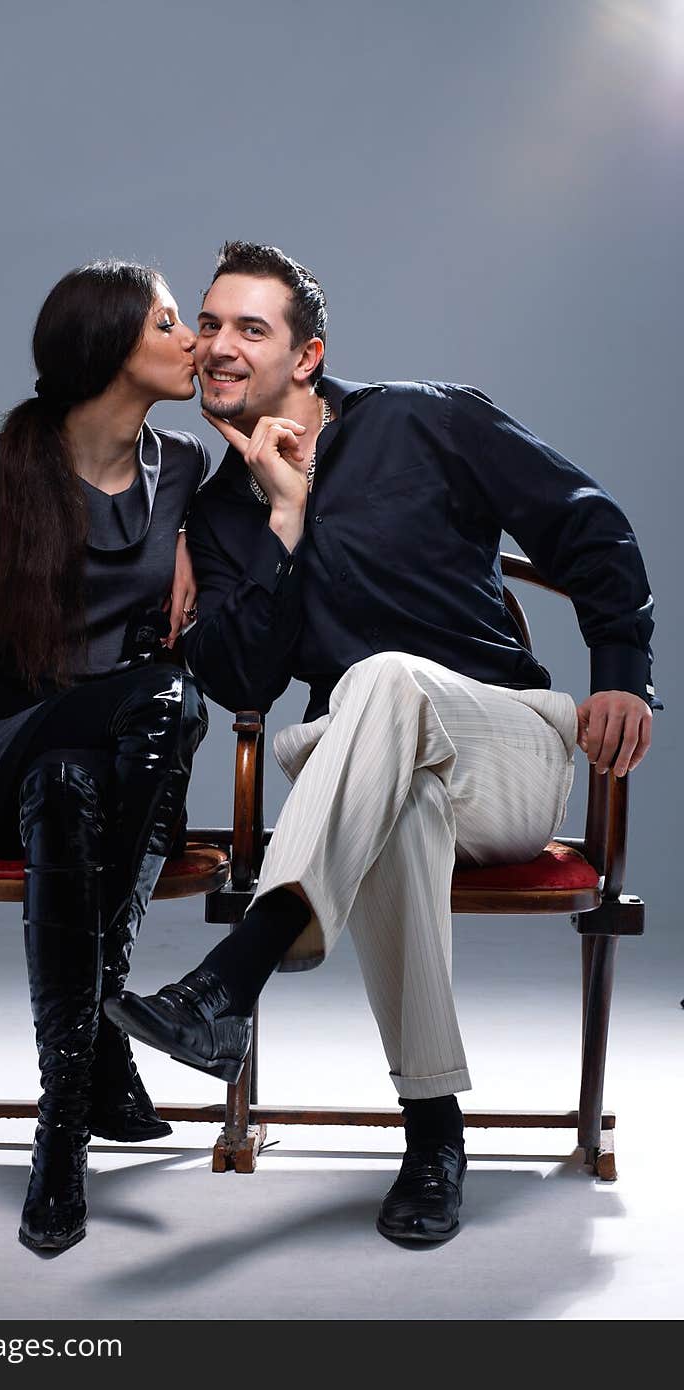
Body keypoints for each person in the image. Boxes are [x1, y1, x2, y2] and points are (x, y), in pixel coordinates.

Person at [106, 240, 657, 1245]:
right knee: (391, 784)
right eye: (211, 324)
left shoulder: (421, 418)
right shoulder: (226, 515)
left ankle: (239, 970)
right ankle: (433, 1137)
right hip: (365, 773)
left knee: (383, 676)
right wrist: (284, 520)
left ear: (306, 357)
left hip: (508, 747)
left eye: (249, 329)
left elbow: (589, 523)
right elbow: (240, 679)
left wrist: (620, 666)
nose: (216, 347)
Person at [0, 261, 209, 1255]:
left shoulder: (194, 474)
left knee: (76, 776)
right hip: (0, 751)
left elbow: (272, 578)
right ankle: (107, 1020)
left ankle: (61, 1137)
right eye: (171, 321)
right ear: (115, 346)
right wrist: (32, 707)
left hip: (114, 782)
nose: (193, 338)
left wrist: (225, 532)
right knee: (163, 699)